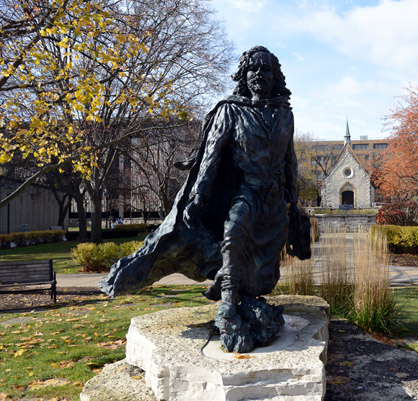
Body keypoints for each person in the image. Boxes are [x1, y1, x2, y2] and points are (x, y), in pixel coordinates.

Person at [99, 46, 309, 349]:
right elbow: (211, 158)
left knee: (265, 265)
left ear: (276, 76)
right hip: (247, 192)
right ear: (243, 75)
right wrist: (199, 195)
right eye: (253, 69)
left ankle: (245, 302)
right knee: (234, 234)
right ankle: (227, 307)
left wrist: (294, 200)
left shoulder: (284, 114)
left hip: (274, 200)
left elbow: (290, 160)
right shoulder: (231, 110)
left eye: (266, 70)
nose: (259, 75)